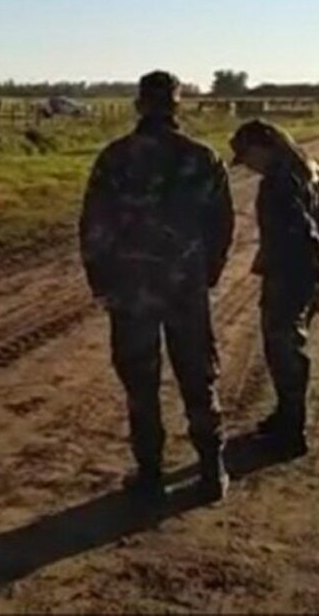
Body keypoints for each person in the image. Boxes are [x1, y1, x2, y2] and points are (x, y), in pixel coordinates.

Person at [80, 71, 236, 502]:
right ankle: (210, 471)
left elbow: (95, 225)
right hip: (185, 287)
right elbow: (222, 224)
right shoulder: (202, 158)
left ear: (138, 105)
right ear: (177, 105)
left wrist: (100, 280)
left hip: (131, 291)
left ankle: (150, 474)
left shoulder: (115, 157)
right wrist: (208, 274)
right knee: (197, 377)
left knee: (140, 383)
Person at [228, 119, 319, 459]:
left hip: (290, 275)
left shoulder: (278, 182)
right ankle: (285, 416)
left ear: (265, 144)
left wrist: (316, 275)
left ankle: (292, 431)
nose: (248, 165)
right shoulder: (314, 168)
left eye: (247, 155)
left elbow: (303, 232)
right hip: (303, 272)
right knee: (288, 346)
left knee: (284, 351)